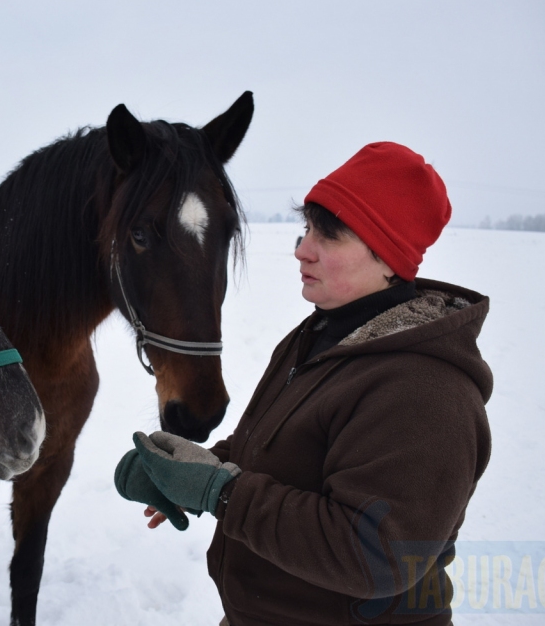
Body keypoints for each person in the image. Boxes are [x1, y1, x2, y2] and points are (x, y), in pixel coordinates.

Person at [115, 142, 492, 625]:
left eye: (329, 236)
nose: (302, 249)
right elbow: (280, 454)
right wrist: (191, 472)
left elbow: (375, 555)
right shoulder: (319, 335)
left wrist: (221, 491)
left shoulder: (425, 390)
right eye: (306, 227)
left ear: (388, 257)